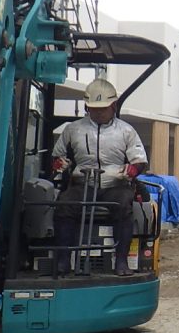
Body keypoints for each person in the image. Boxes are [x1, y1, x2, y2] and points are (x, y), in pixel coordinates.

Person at [51, 78, 148, 276]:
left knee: (123, 205)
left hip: (115, 184)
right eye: (94, 109)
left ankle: (121, 261)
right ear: (87, 107)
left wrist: (132, 170)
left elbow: (139, 160)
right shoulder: (73, 129)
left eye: (103, 109)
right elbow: (57, 155)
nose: (98, 113)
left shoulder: (126, 131)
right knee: (64, 203)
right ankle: (63, 260)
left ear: (113, 106)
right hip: (83, 184)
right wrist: (59, 163)